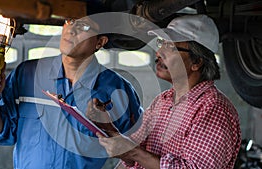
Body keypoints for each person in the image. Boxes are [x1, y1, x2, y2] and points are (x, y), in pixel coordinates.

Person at [0, 15, 143, 169]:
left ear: (100, 42)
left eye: (84, 26)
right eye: (69, 21)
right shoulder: (27, 74)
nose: (71, 29)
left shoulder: (118, 89)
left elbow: (138, 154)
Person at [93, 14, 241, 168]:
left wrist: (133, 153)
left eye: (170, 46)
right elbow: (131, 151)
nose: (158, 53)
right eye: (161, 43)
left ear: (196, 62)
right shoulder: (163, 101)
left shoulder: (213, 109)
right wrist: (107, 127)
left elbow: (134, 153)